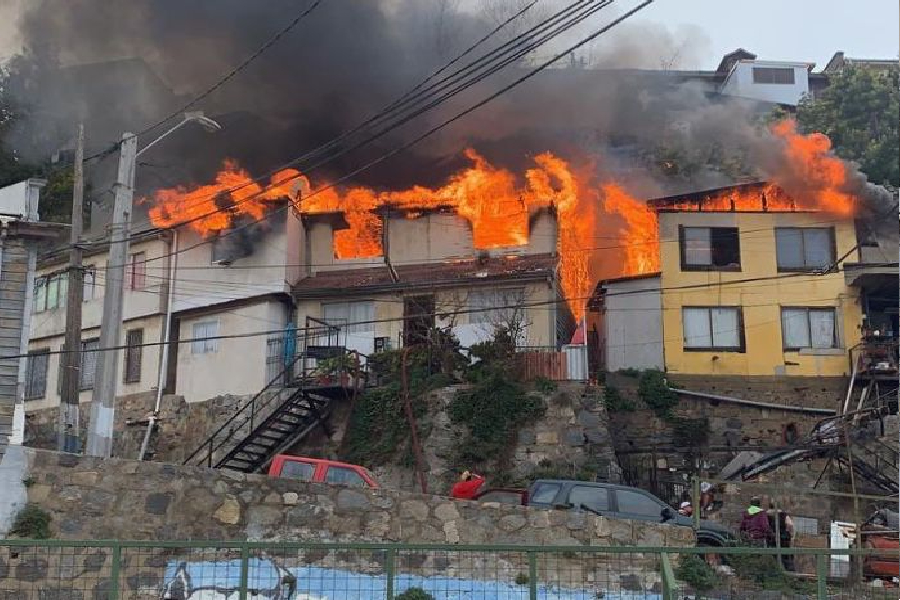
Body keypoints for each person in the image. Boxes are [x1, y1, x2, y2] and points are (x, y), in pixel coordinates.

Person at [767, 503, 795, 571]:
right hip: (783, 538)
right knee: (786, 557)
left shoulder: (766, 514)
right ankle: (789, 572)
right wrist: (790, 534)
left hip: (771, 539)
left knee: (773, 557)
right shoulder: (783, 514)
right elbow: (790, 524)